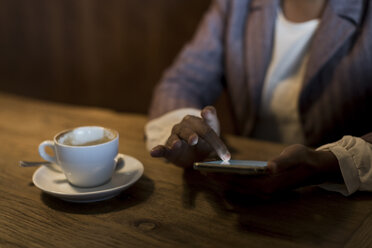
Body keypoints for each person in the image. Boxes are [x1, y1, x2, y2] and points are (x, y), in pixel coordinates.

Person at [145, 0, 372, 196]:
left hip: (338, 203)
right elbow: (181, 82)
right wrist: (192, 136)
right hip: (245, 189)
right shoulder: (236, 5)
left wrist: (329, 163)